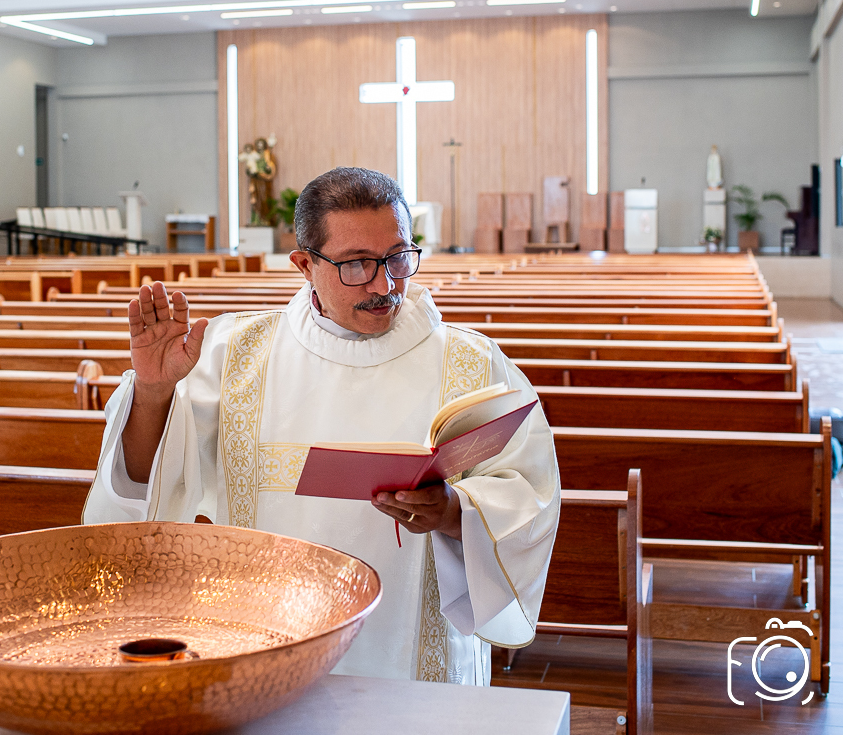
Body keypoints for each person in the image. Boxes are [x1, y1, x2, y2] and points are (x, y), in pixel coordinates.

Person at [83, 166, 560, 684]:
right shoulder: (233, 355)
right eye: (356, 264)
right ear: (304, 264)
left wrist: (453, 512)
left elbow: (530, 494)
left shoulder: (473, 364)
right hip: (267, 647)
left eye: (398, 258)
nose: (385, 284)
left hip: (418, 667)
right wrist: (153, 393)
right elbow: (143, 491)